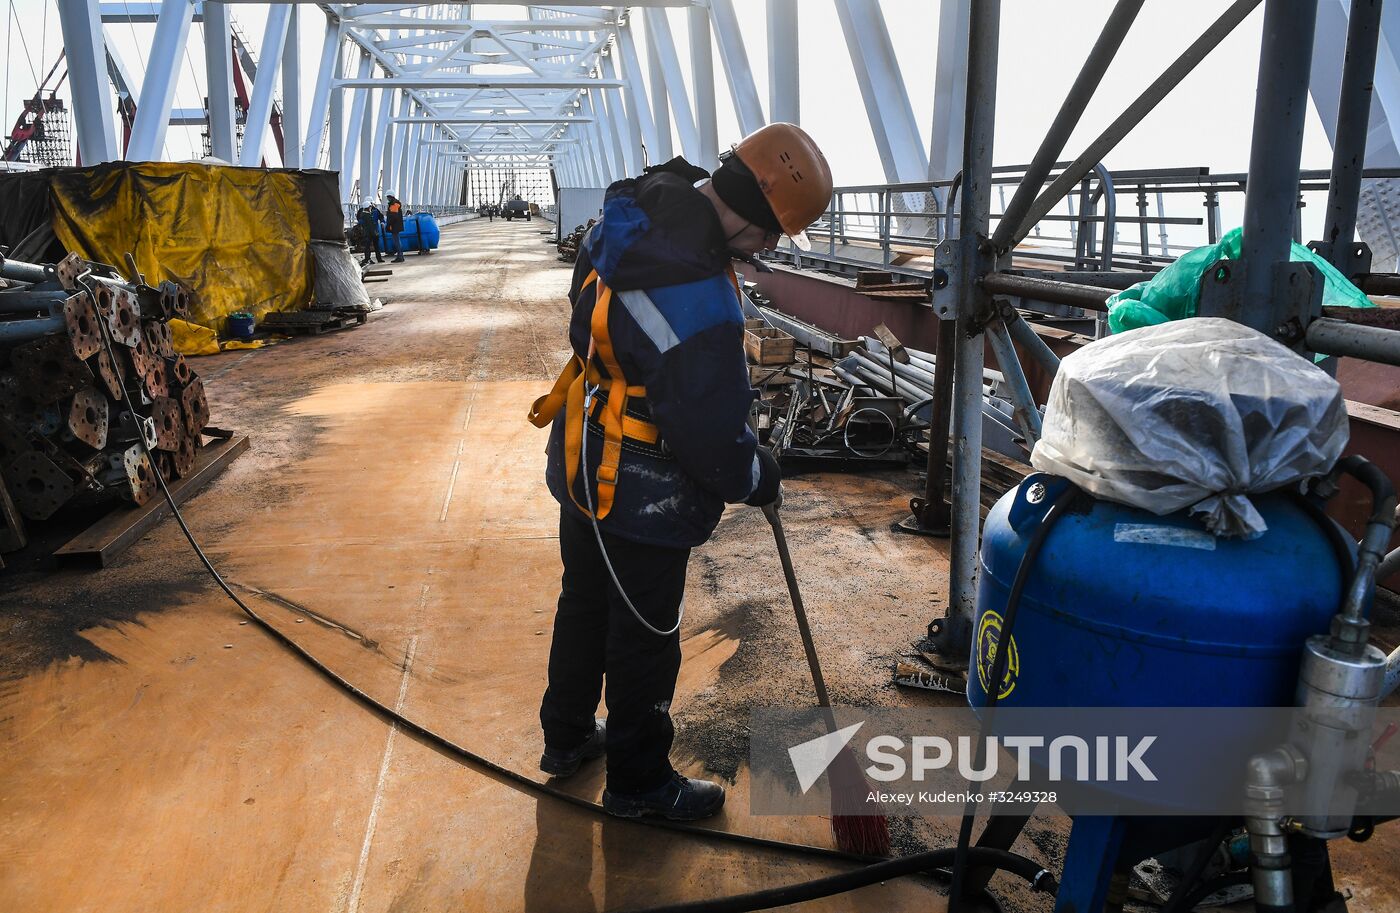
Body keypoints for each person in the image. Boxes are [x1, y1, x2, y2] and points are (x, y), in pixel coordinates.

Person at [528, 124, 833, 821]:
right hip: (641, 487)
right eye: (775, 233)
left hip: (584, 450)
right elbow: (711, 439)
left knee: (583, 602)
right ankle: (639, 783)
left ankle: (567, 736)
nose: (773, 249)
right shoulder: (697, 293)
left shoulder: (628, 216)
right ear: (752, 212)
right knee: (644, 634)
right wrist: (759, 473)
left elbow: (589, 325)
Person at [385, 194, 406, 263]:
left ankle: (400, 256)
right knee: (397, 241)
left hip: (394, 226)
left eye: (388, 197)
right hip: (396, 225)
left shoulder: (394, 204)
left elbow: (393, 216)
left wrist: (389, 225)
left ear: (390, 197)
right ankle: (401, 256)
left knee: (397, 241)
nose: (387, 199)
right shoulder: (395, 203)